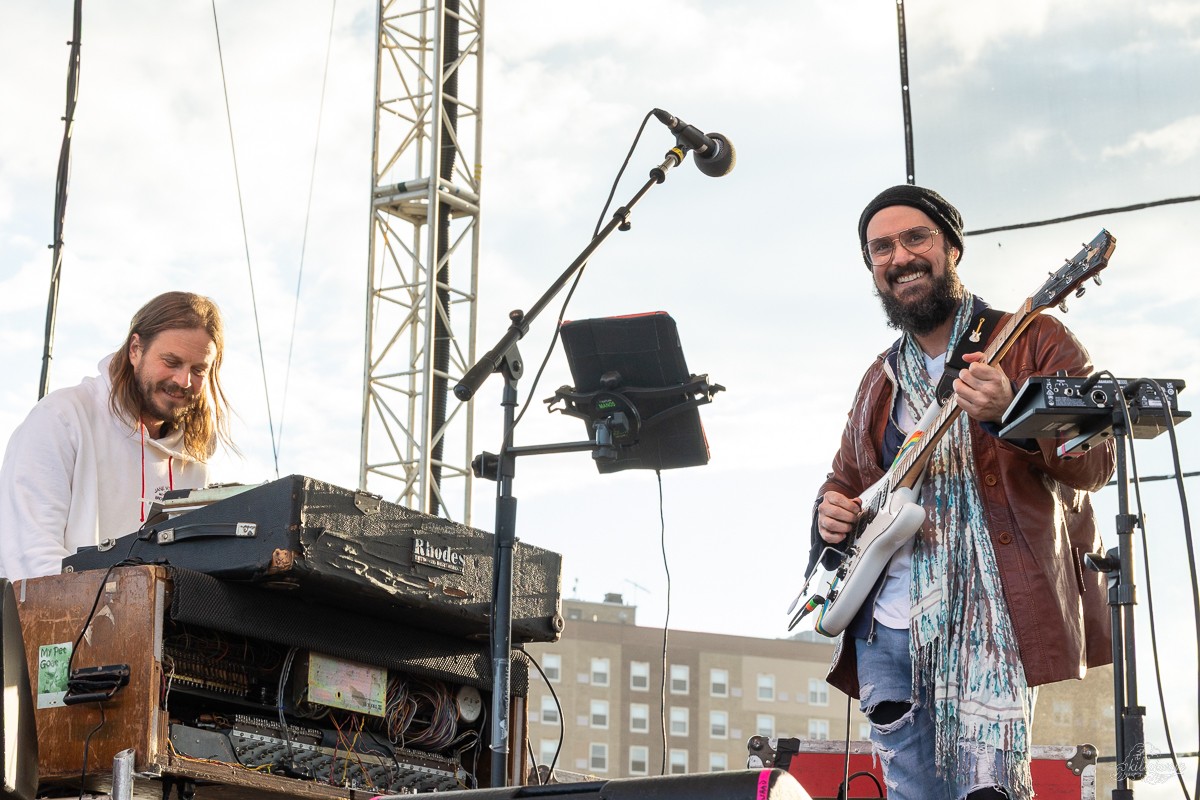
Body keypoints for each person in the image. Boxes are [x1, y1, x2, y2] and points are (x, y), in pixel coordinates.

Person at [807, 185, 1114, 800]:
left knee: (987, 792)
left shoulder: (1034, 339)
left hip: (990, 613)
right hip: (886, 625)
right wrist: (832, 510)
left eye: (915, 238)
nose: (899, 257)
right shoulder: (881, 376)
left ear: (951, 247)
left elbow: (1096, 461)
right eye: (881, 248)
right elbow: (848, 479)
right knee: (911, 792)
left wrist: (1012, 415)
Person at [0, 291, 235, 581]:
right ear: (135, 349)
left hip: (154, 626)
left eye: (198, 369)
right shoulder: (62, 418)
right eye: (172, 362)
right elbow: (32, 557)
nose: (183, 381)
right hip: (53, 623)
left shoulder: (196, 462)